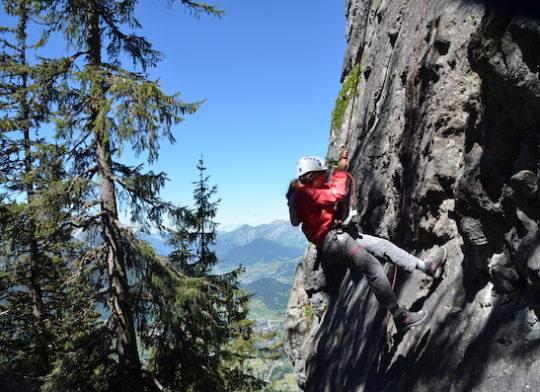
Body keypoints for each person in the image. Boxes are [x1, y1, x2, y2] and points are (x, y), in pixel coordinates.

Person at [287, 151, 447, 332]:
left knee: (381, 246)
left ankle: (426, 266)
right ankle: (400, 316)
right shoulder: (306, 194)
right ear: (311, 177)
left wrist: (338, 172)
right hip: (336, 240)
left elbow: (299, 216)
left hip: (337, 239)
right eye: (321, 175)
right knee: (373, 267)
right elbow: (337, 194)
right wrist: (340, 173)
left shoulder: (302, 195)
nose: (324, 178)